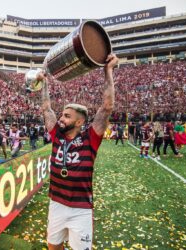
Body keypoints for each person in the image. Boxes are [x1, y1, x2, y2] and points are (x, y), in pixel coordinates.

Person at [41, 54, 118, 250]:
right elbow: (46, 109)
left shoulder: (89, 139)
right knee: (53, 245)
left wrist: (108, 71)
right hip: (56, 202)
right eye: (62, 115)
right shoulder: (57, 135)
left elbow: (107, 107)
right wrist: (44, 84)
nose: (61, 118)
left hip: (80, 208)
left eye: (66, 116)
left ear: (79, 122)